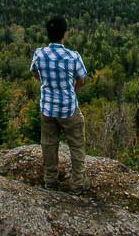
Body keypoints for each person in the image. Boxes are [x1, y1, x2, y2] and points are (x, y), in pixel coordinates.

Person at [30, 15, 88, 193]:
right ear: (64, 34)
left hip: (47, 108)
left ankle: (50, 181)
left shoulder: (39, 54)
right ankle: (77, 184)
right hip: (69, 109)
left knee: (48, 144)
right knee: (77, 145)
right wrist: (73, 91)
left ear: (48, 34)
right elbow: (81, 79)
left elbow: (34, 73)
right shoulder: (73, 57)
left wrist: (47, 84)